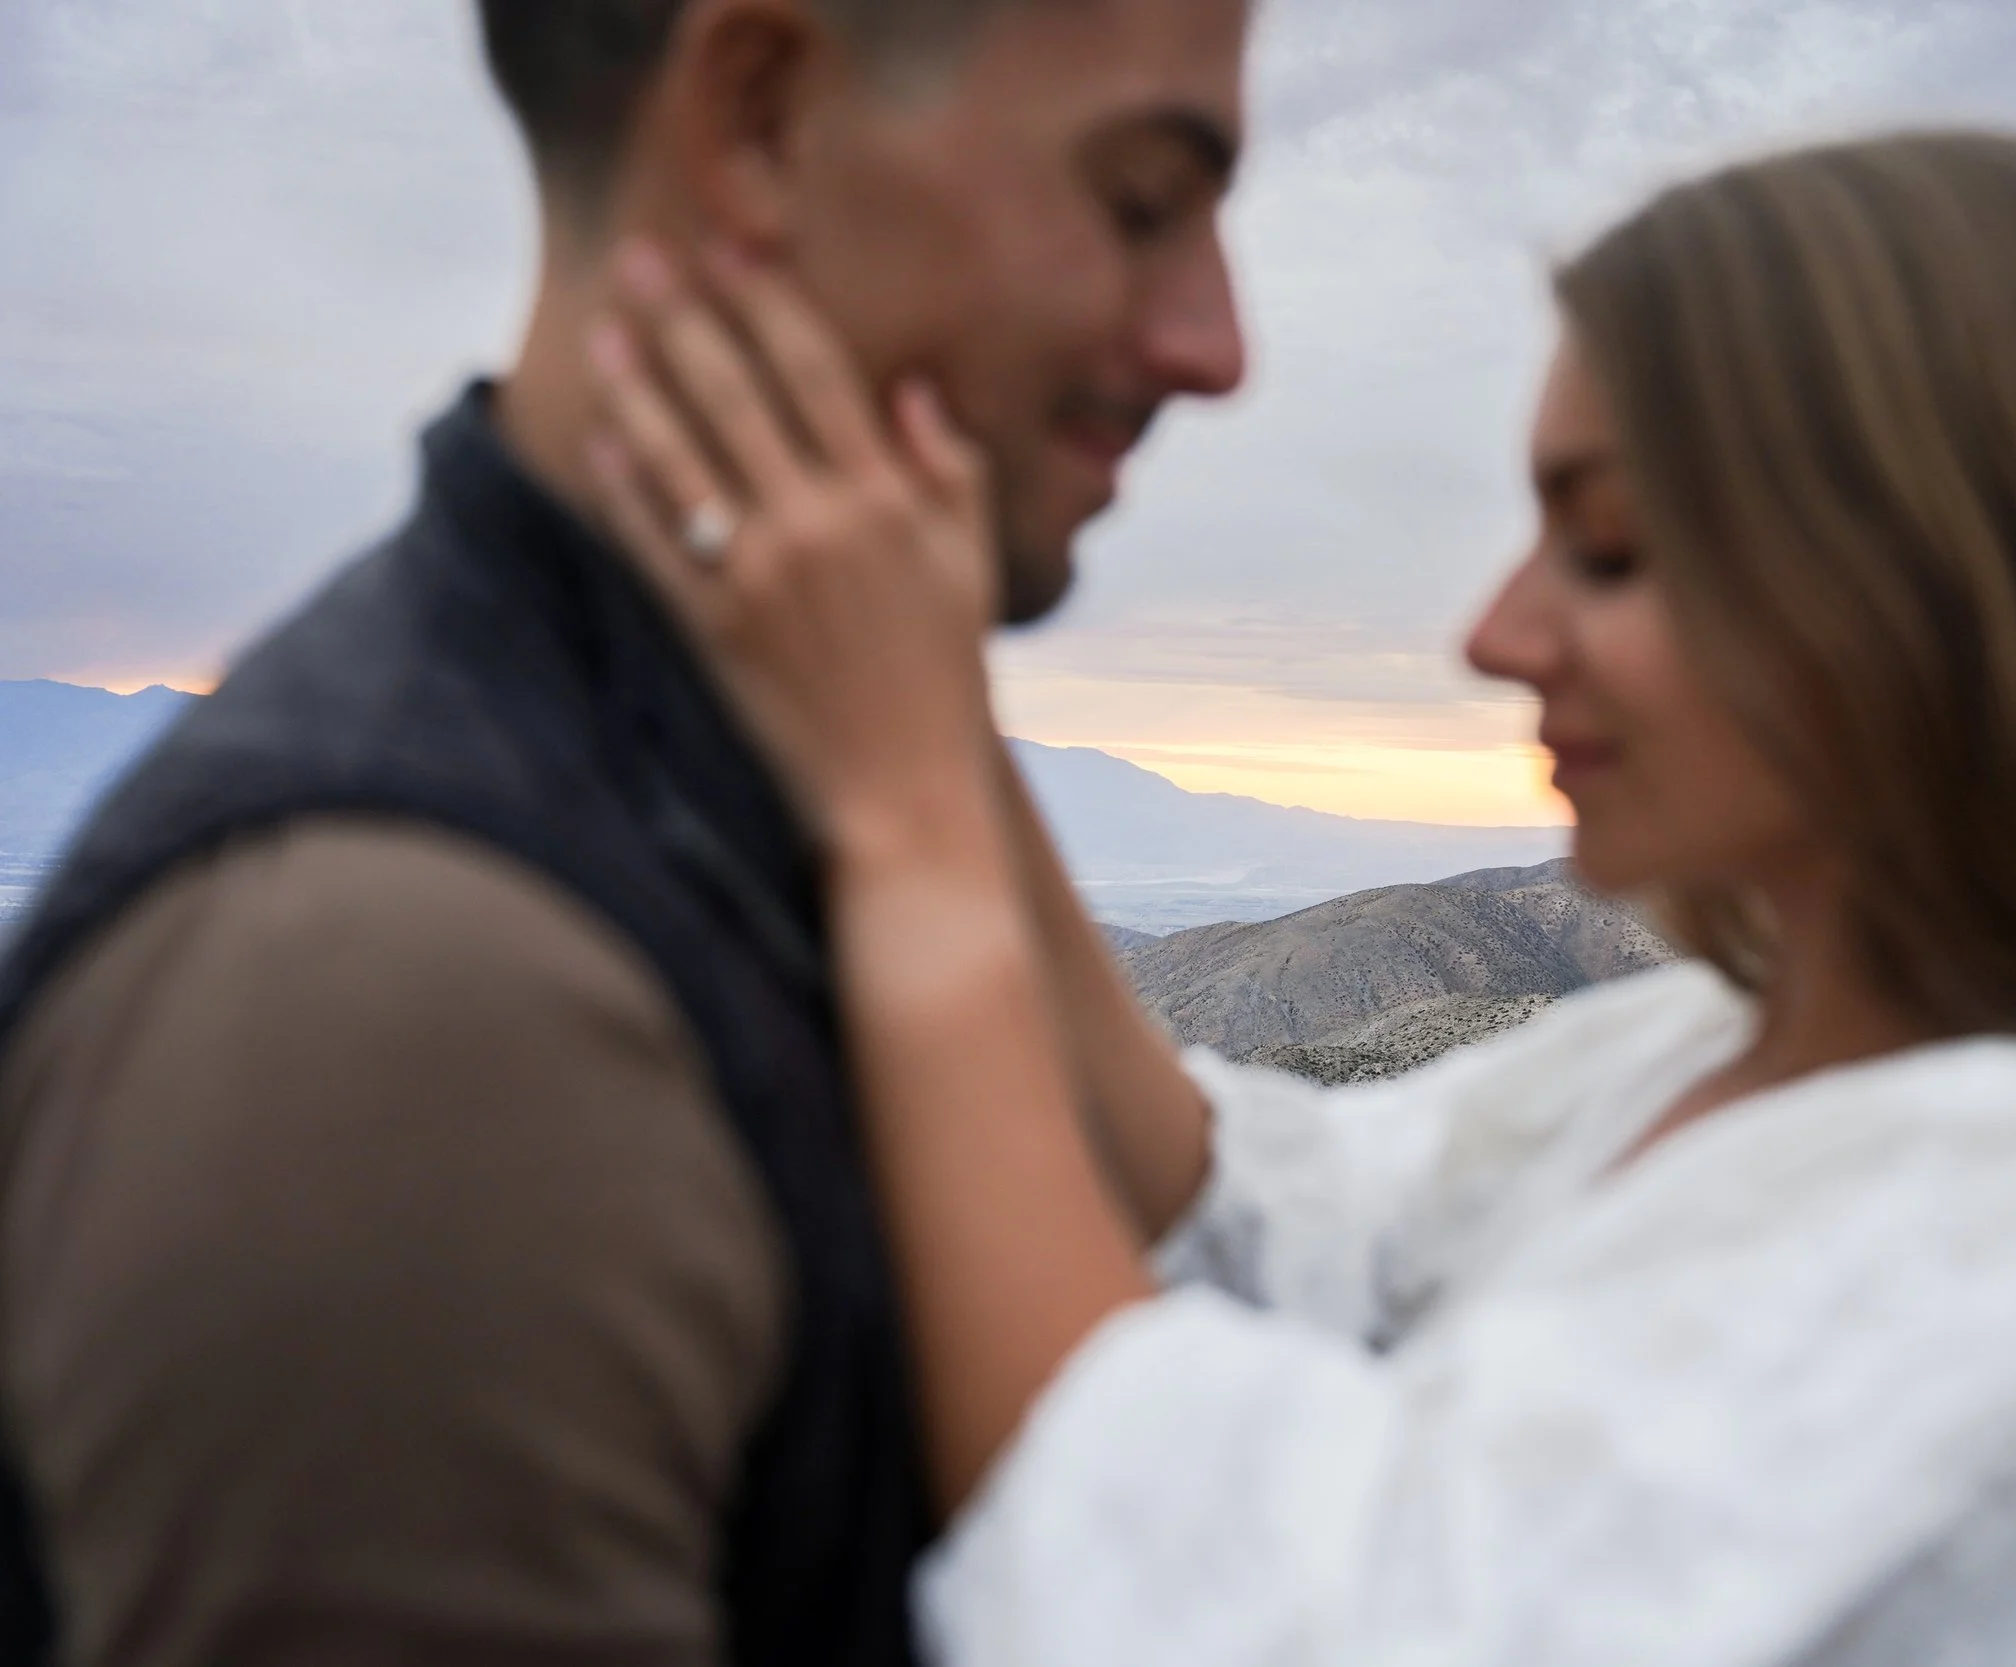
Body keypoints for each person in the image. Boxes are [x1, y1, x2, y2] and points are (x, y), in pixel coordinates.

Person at [578, 131, 2016, 1664]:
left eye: (1611, 549)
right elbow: (1263, 1218)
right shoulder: (1711, 1047)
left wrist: (910, 848)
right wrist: (935, 702)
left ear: (1936, 589)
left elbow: (1245, 1620)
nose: (1499, 633)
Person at [0, 1, 1247, 1662]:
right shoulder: (405, 1013)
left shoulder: (828, 800)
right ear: (757, 115)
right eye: (1144, 199)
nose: (1215, 344)